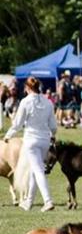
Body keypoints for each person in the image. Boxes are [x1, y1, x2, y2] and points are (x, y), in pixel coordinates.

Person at [4, 77, 57, 211]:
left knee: (38, 170)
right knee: (35, 169)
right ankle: (29, 202)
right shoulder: (48, 102)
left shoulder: (25, 102)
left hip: (31, 140)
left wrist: (8, 135)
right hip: (45, 140)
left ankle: (48, 200)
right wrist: (53, 135)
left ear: (27, 88)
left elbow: (18, 124)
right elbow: (53, 125)